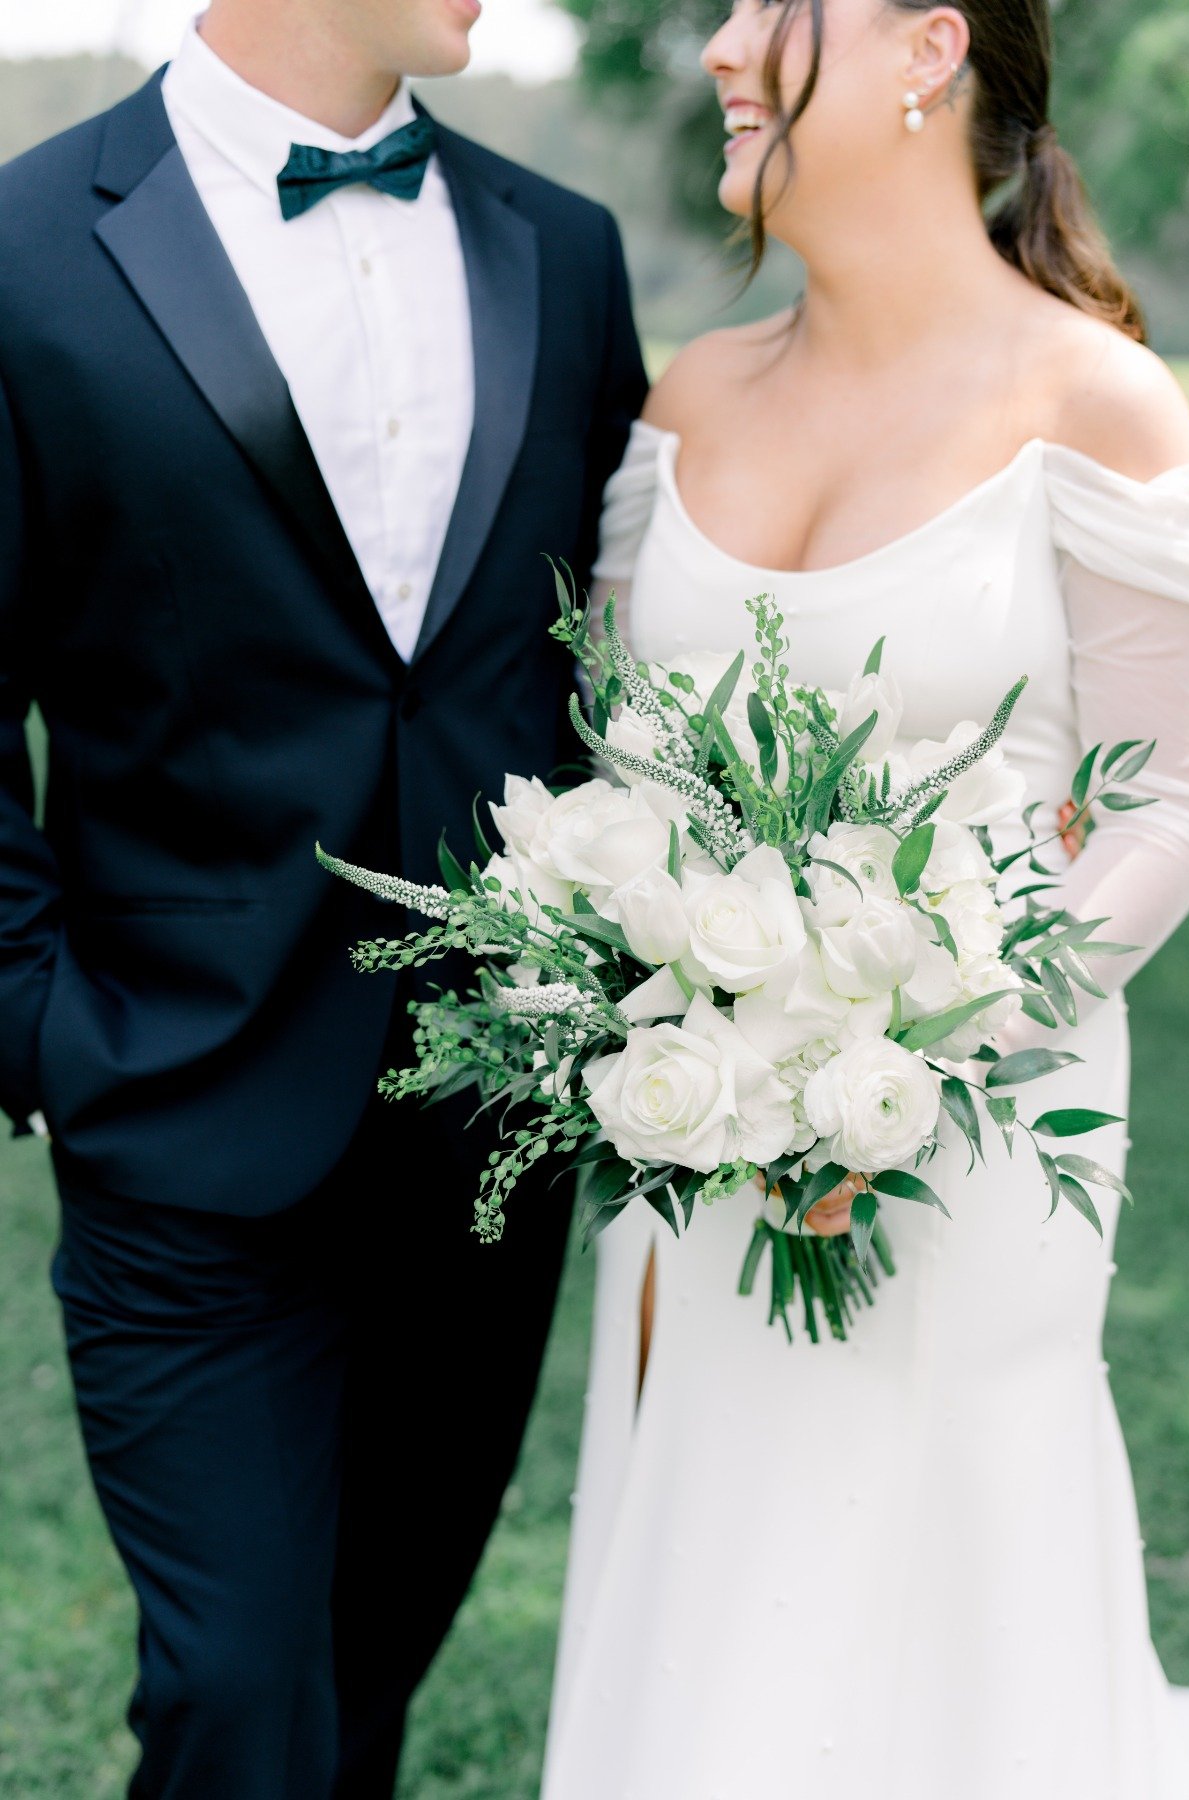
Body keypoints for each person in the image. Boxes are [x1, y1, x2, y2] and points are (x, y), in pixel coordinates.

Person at [542, 2, 1189, 1795]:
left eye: (772, 9)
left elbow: (1174, 801)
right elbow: (615, 783)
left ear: (928, 48)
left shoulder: (1095, 401)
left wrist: (931, 1033)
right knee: (714, 1585)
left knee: (930, 1623)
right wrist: (660, 1021)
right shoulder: (688, 405)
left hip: (977, 1146)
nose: (723, 53)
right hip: (691, 1143)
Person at [0, 0, 645, 1791]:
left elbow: (587, 667)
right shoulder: (24, 248)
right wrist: (43, 1028)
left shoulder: (567, 254)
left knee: (362, 1691)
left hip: (484, 1128)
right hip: (178, 1101)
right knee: (236, 1698)